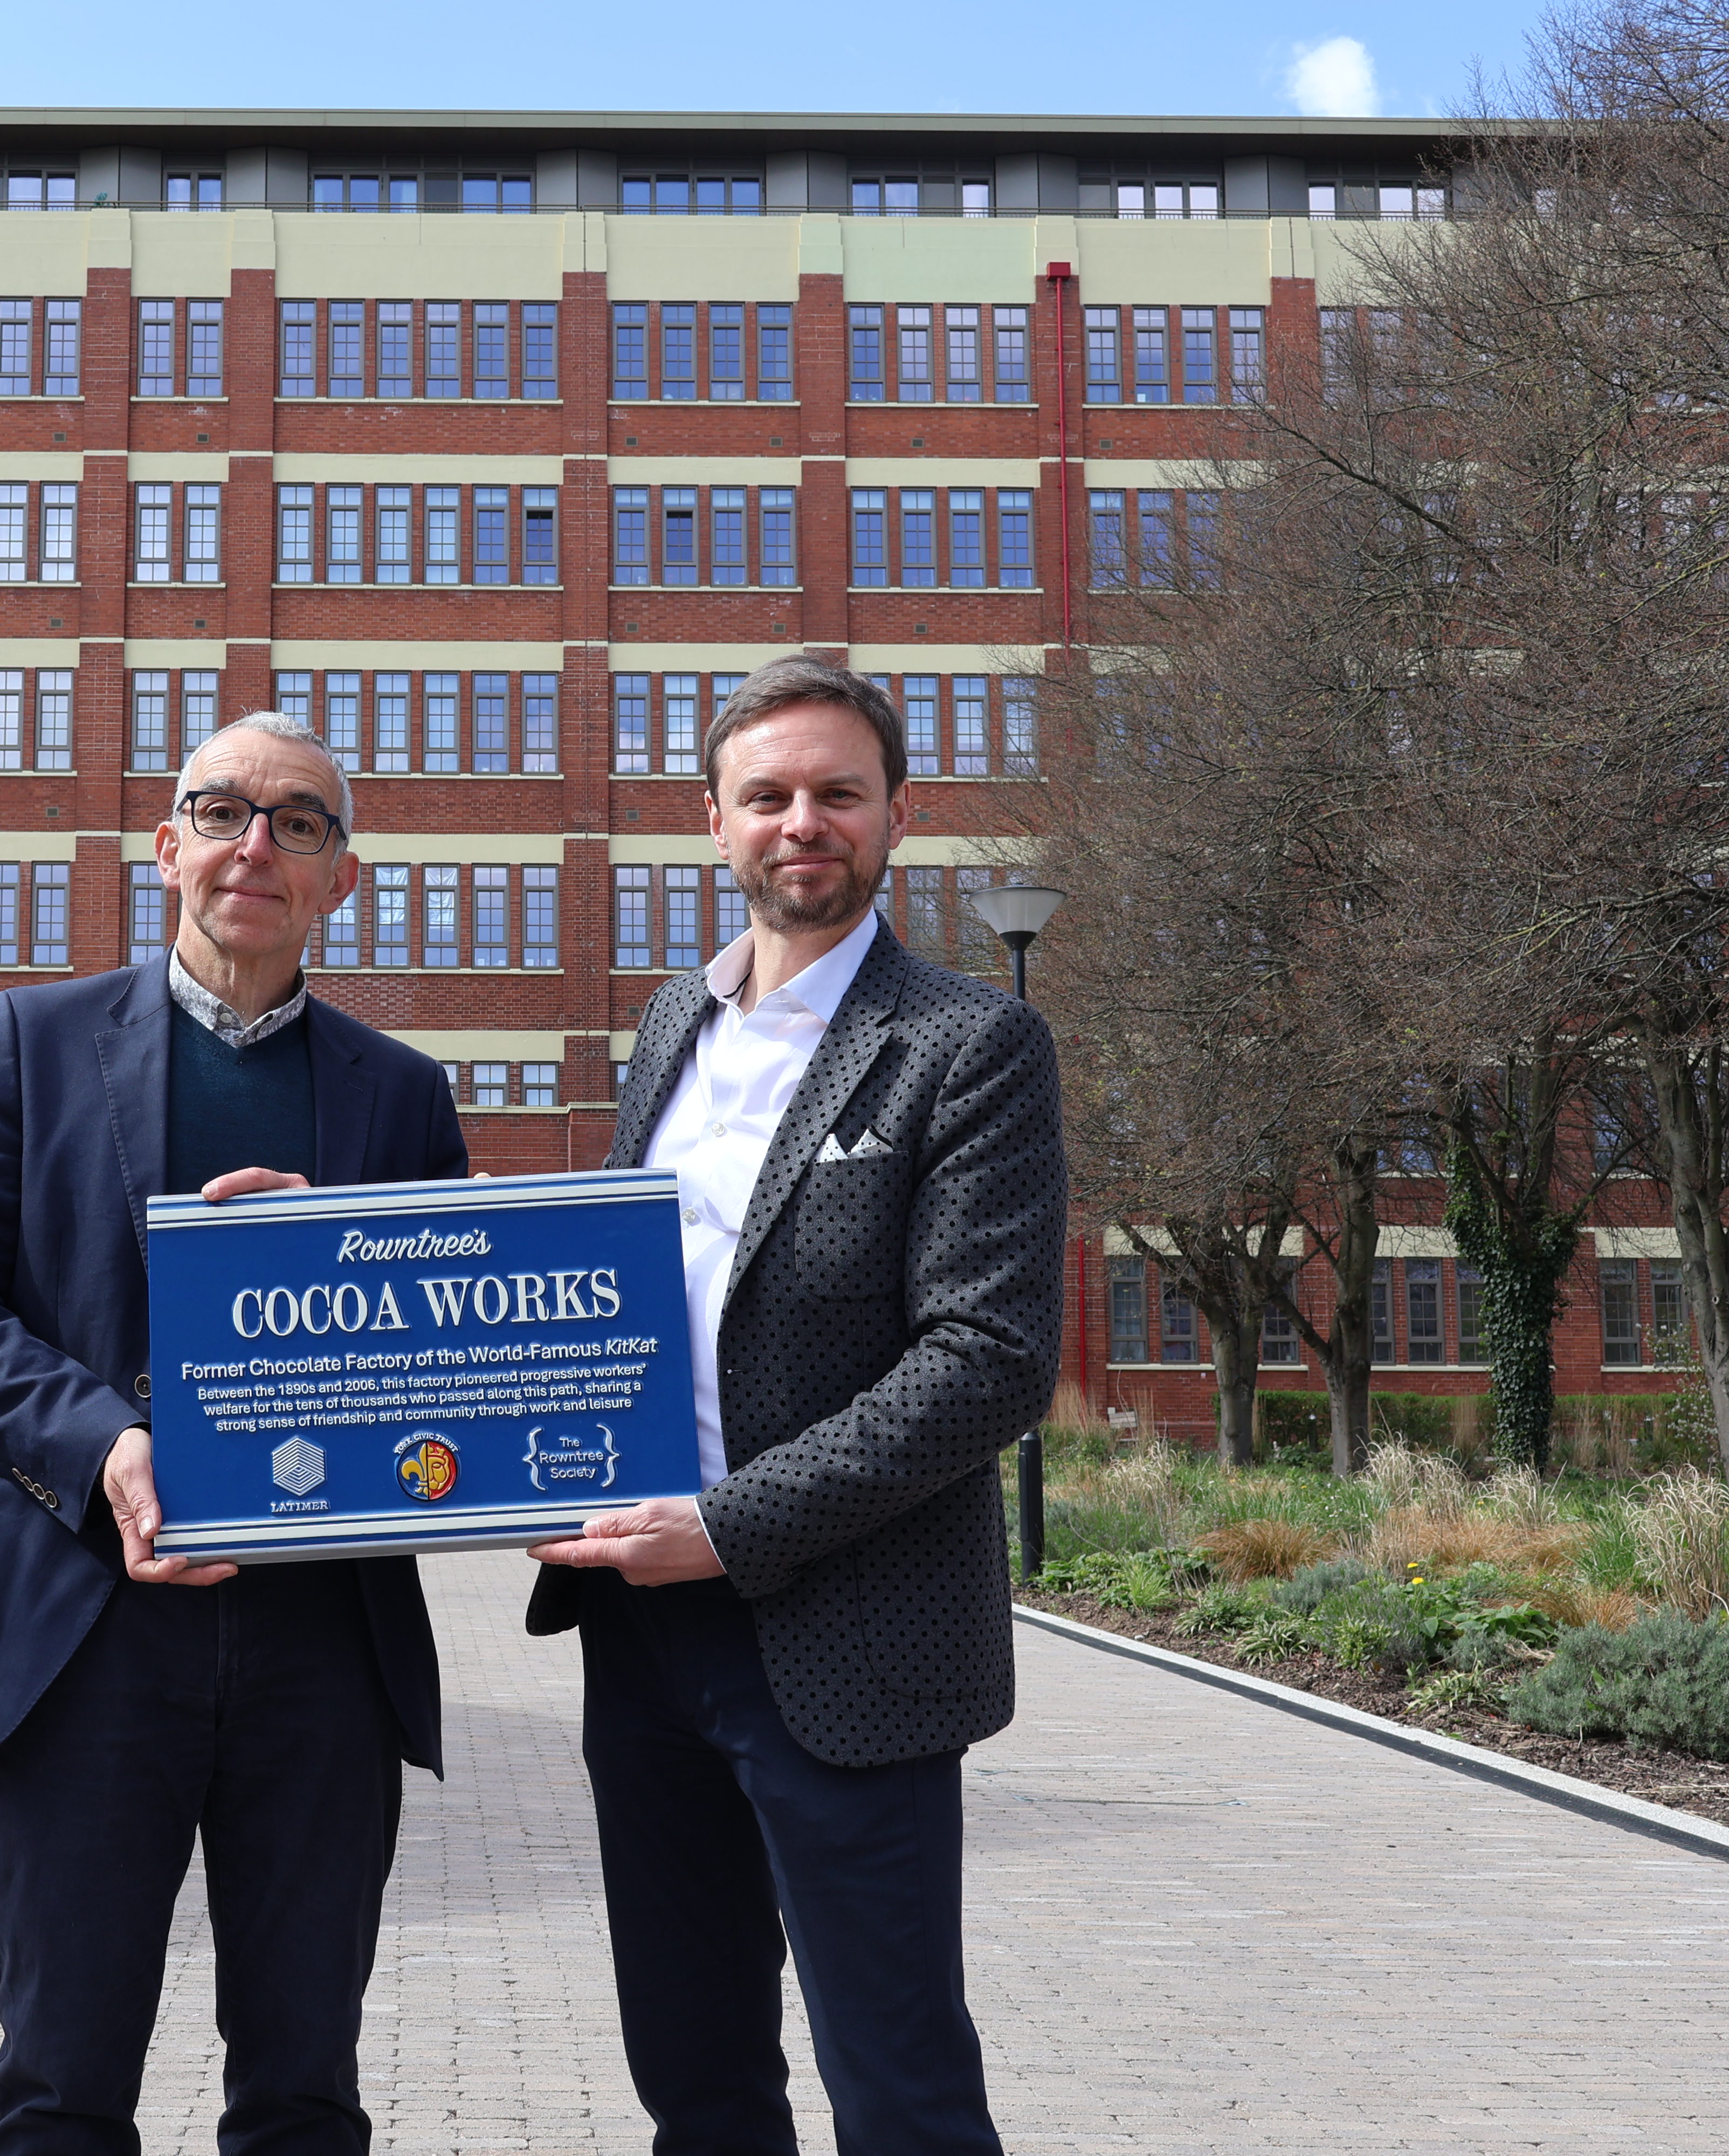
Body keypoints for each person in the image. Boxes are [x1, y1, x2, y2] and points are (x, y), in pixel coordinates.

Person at [0, 712, 469, 2155]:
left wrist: (348, 1254)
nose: (255, 845)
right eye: (221, 811)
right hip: (88, 1631)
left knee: (304, 2094)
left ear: (339, 879)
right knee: (61, 2088)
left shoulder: (401, 1096)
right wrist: (101, 1444)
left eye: (298, 822)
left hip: (324, 1646)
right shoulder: (33, 1041)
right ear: (166, 848)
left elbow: (459, 1366)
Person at [529, 657, 1063, 2156]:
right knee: (695, 2079)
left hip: (850, 1634)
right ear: (715, 821)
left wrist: (725, 1525)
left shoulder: (970, 1043)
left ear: (899, 813)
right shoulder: (666, 1028)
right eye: (766, 795)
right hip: (641, 1638)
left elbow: (987, 1358)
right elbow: (612, 1290)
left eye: (838, 792)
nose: (802, 822)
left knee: (899, 2093)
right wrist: (333, 1235)